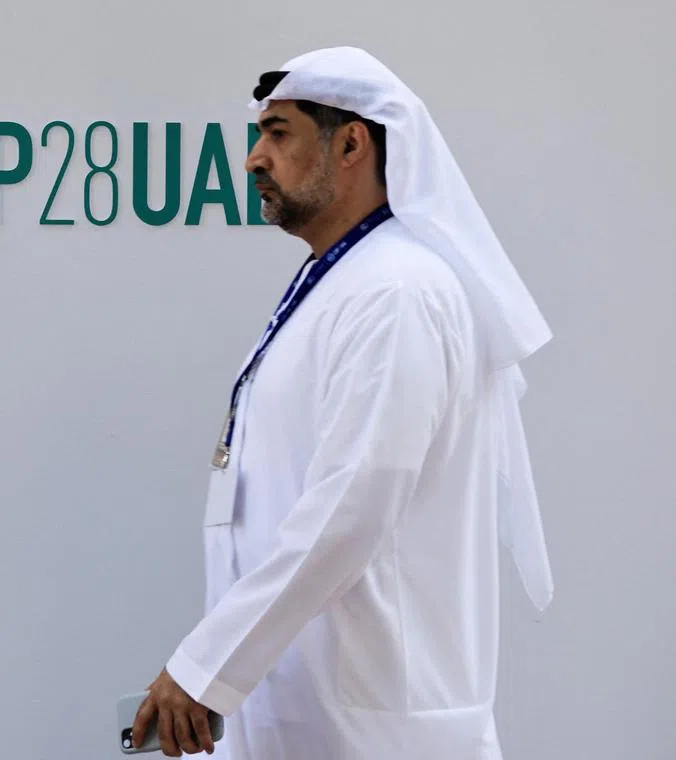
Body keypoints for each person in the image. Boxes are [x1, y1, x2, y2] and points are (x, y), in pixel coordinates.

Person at [129, 46, 554, 760]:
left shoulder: (399, 292)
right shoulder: (347, 280)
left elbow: (352, 505)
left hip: (375, 722)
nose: (254, 159)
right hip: (306, 710)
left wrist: (209, 666)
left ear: (352, 143)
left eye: (279, 133)